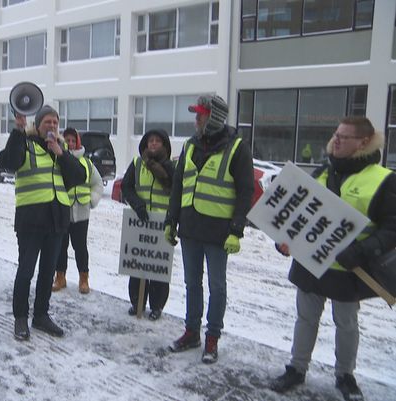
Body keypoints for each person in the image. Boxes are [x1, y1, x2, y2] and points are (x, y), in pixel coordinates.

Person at [270, 117, 396, 401]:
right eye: (336, 134)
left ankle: (345, 375)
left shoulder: (382, 179)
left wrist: (362, 252)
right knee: (305, 319)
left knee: (347, 324)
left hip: (349, 270)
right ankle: (296, 368)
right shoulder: (322, 172)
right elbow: (297, 215)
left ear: (364, 142)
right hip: (311, 264)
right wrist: (285, 240)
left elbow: (392, 228)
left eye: (345, 137)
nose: (336, 140)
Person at [164, 95, 254, 363]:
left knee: (217, 286)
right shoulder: (190, 146)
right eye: (196, 114)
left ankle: (212, 336)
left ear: (213, 117)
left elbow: (245, 190)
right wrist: (171, 220)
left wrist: (236, 230)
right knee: (192, 283)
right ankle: (191, 331)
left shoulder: (237, 147)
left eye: (200, 114)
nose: (196, 119)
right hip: (190, 228)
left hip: (218, 232)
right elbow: (178, 186)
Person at [0, 105, 86, 341]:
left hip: (56, 220)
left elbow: (80, 176)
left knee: (48, 272)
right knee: (26, 271)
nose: (52, 126)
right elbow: (9, 162)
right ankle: (20, 318)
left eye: (55, 122)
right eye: (47, 122)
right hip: (31, 220)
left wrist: (62, 153)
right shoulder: (24, 144)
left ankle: (41, 315)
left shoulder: (59, 149)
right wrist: (17, 131)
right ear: (36, 125)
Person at [121, 129, 174, 320]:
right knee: (137, 264)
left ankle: (157, 306)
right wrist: (137, 204)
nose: (153, 144)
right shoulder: (137, 164)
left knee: (158, 269)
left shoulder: (170, 166)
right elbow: (126, 187)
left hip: (162, 225)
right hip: (139, 222)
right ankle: (137, 303)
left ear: (164, 145)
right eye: (150, 141)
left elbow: (177, 191)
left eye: (157, 141)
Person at [52, 127, 102, 294]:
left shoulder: (86, 163)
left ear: (78, 142)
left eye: (73, 141)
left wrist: (92, 200)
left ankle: (83, 278)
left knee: (80, 247)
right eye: (67, 140)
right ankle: (60, 277)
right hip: (63, 210)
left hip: (81, 212)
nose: (71, 144)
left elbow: (97, 184)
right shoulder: (57, 159)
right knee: (60, 246)